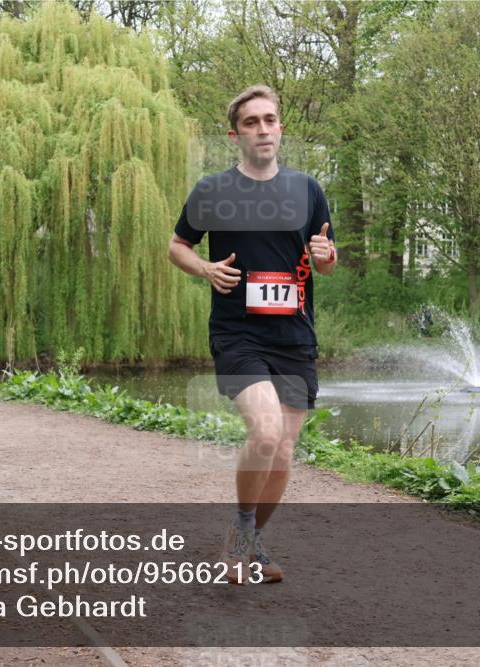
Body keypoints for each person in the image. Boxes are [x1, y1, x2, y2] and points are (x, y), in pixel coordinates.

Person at [167, 84, 337, 585]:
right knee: (264, 432)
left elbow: (325, 258)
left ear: (281, 127)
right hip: (239, 333)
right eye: (251, 123)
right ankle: (240, 537)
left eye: (270, 119)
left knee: (283, 450)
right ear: (234, 135)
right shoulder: (212, 191)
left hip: (295, 336)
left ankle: (253, 544)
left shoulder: (307, 190)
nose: (263, 129)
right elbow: (178, 245)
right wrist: (204, 268)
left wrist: (326, 259)